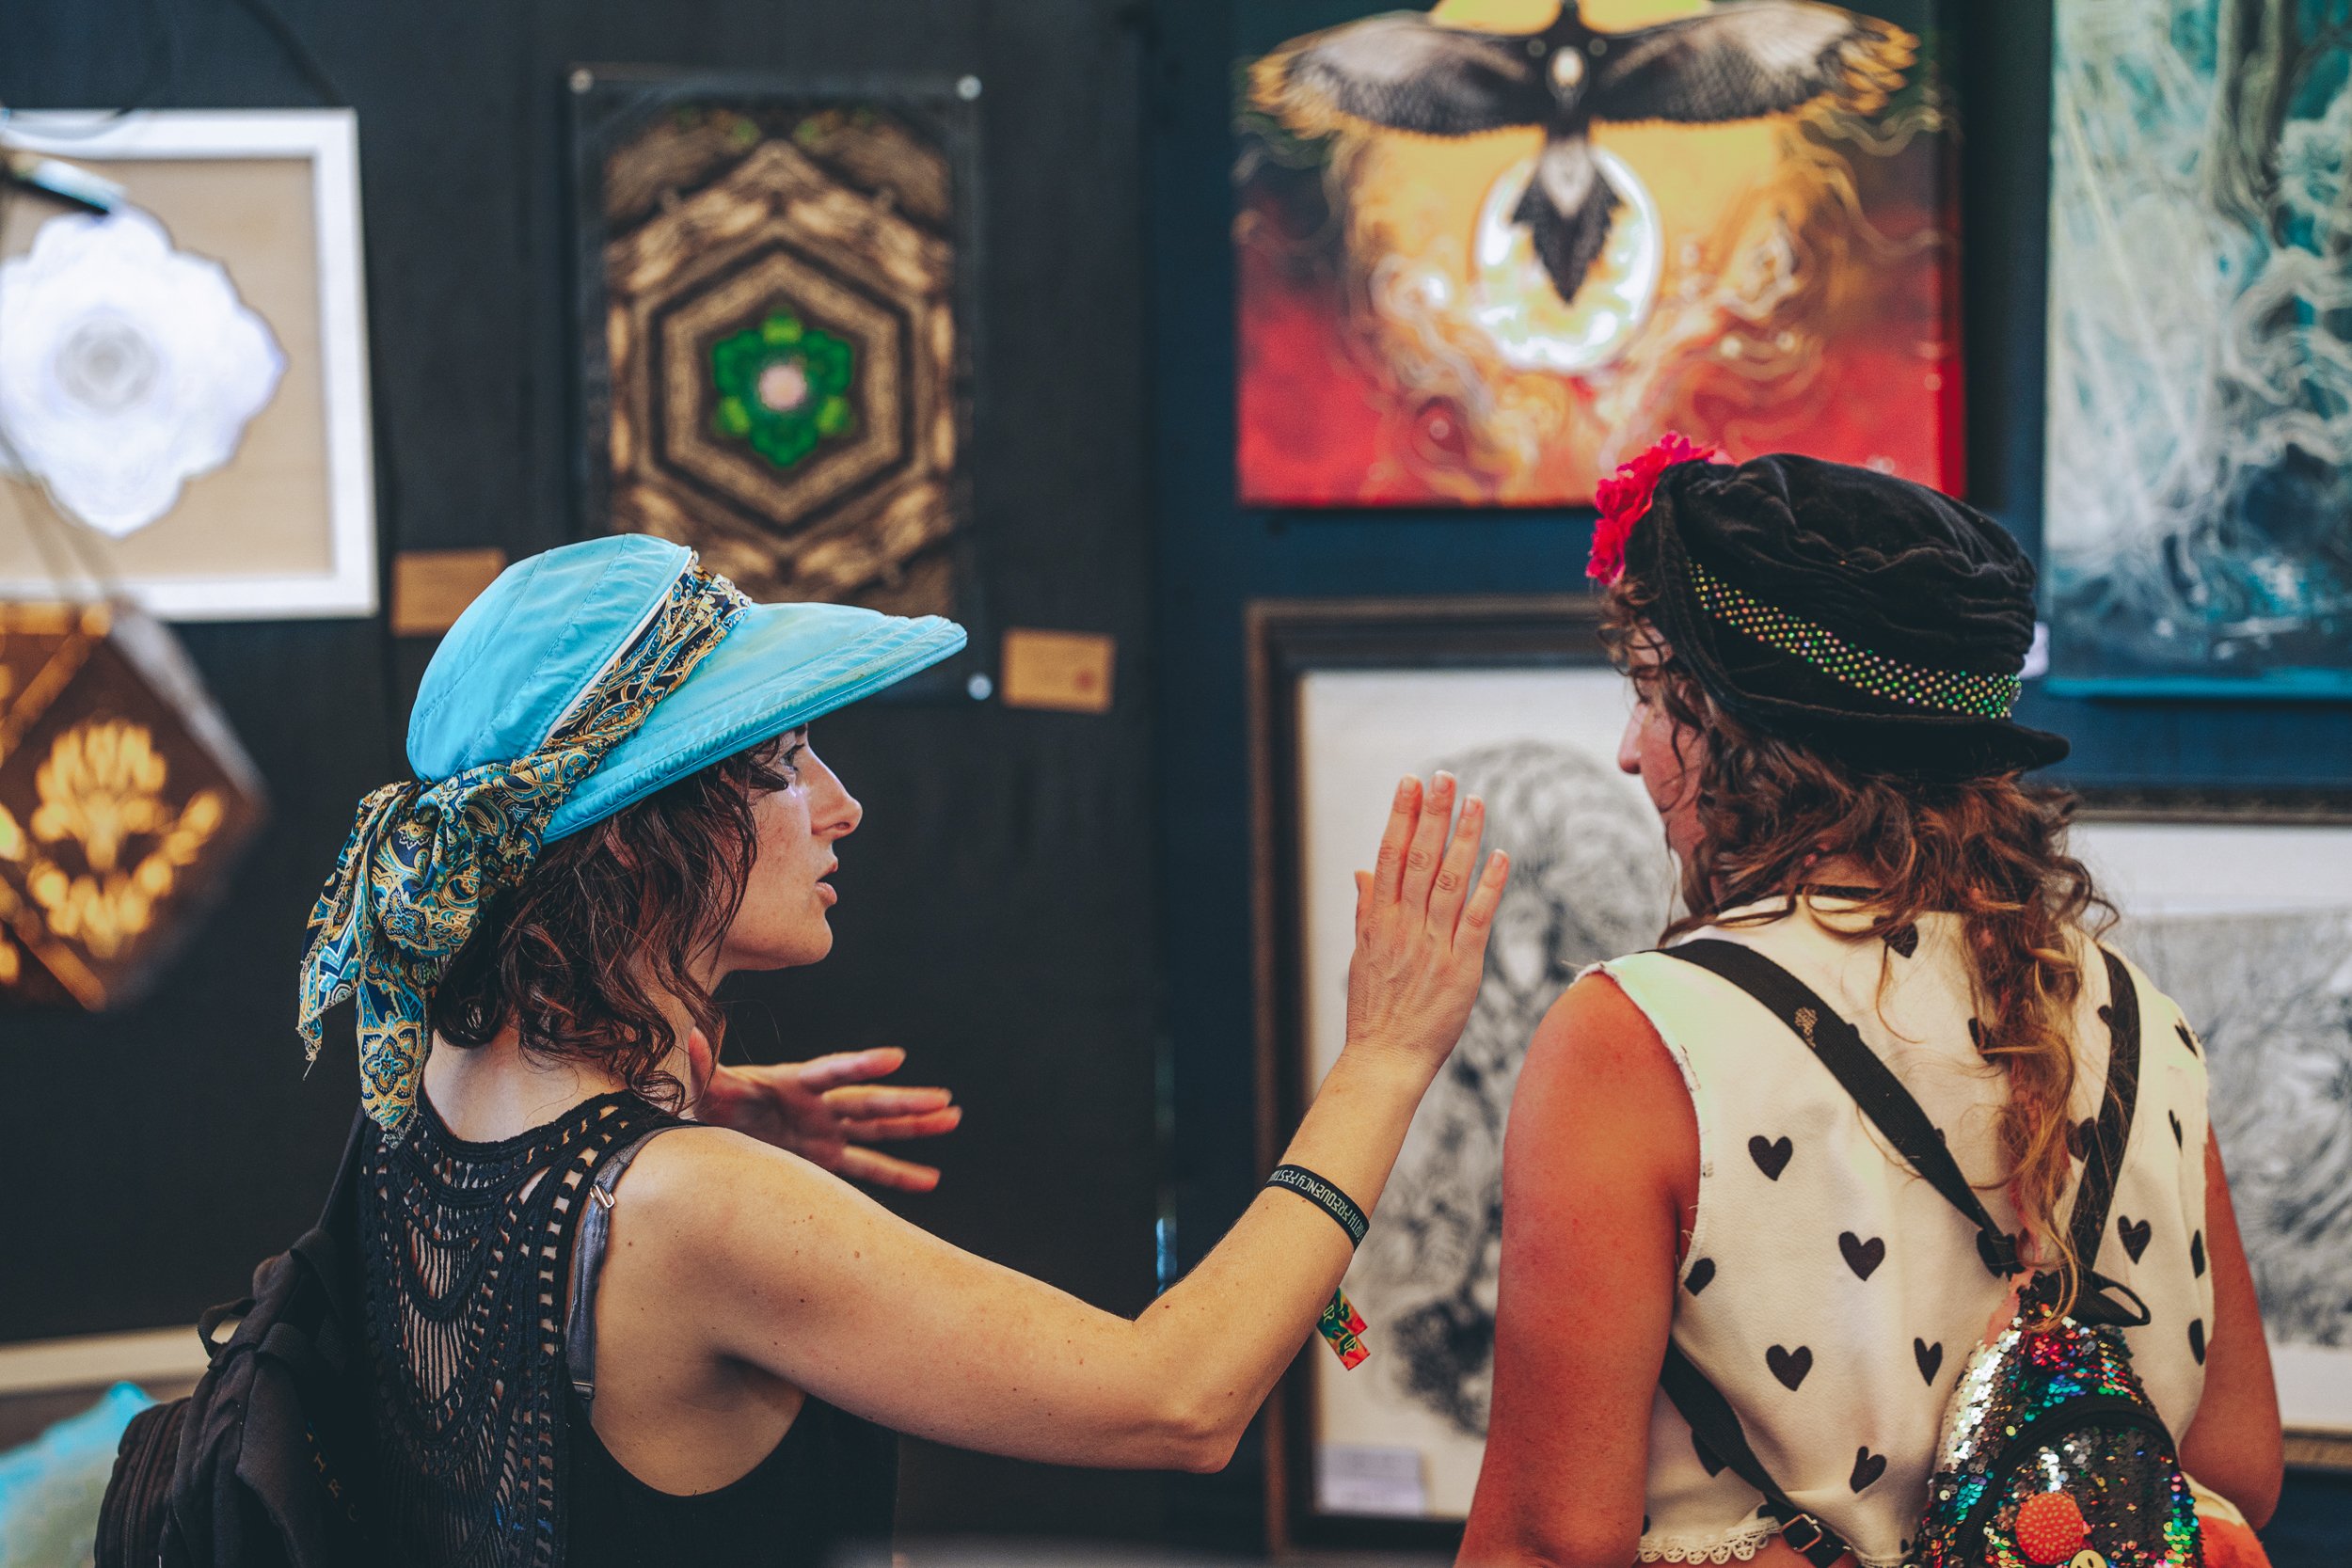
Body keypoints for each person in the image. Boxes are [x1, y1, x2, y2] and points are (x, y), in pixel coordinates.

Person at [295, 534, 1510, 1568]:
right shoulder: (693, 1209)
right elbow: (1177, 1396)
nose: (839, 802)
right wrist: (1387, 1053)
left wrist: (704, 1122)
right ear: (630, 839)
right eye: (779, 763)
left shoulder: (426, 1082)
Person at [1456, 447, 2283, 1568]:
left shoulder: (1642, 1037)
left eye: (1655, 696)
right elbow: (2232, 1470)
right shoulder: (2137, 1016)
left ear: (1749, 735)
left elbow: (1545, 1544)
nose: (1628, 752)